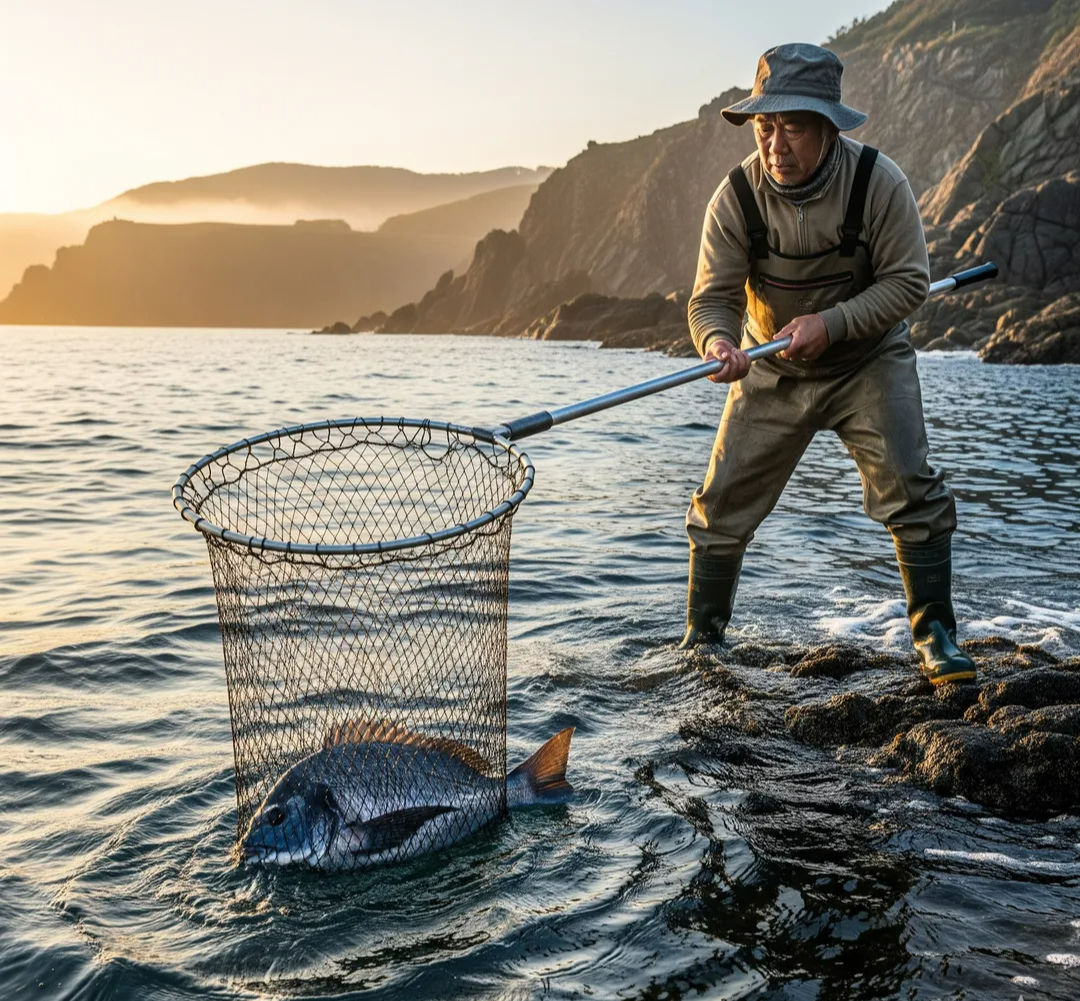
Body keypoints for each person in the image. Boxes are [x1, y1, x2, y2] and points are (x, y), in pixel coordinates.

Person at [681, 42, 977, 686]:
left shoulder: (879, 182)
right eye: (765, 126)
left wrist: (832, 323)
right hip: (771, 368)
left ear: (829, 126)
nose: (775, 145)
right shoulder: (733, 198)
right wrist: (717, 344)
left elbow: (908, 285)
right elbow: (712, 299)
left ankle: (934, 633)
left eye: (792, 127)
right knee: (719, 505)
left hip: (867, 361)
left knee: (911, 486)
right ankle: (702, 641)